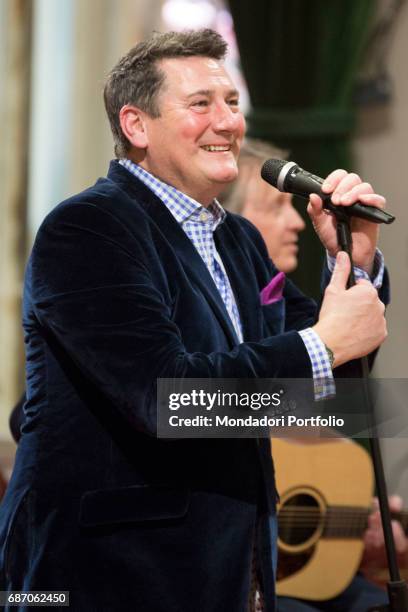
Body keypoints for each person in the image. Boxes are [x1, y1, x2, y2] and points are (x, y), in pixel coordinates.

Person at [0, 29, 389, 612]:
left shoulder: (236, 240)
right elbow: (165, 400)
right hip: (106, 574)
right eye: (200, 104)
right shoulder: (87, 229)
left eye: (231, 103)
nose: (228, 121)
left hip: (228, 570)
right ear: (136, 125)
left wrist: (353, 266)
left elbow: (328, 388)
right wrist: (320, 345)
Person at [222, 139, 406, 611]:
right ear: (230, 225)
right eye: (276, 207)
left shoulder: (275, 291)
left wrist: (356, 263)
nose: (295, 222)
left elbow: (340, 379)